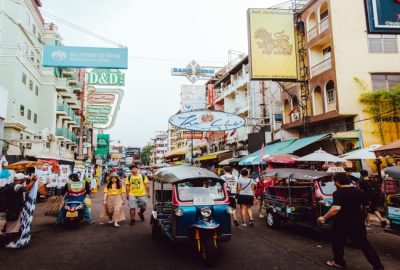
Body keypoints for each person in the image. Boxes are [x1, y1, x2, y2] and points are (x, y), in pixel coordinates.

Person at [317, 173, 384, 270]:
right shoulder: (360, 192)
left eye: (334, 182)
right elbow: (367, 206)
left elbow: (336, 208)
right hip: (358, 222)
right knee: (365, 244)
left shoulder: (339, 193)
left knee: (338, 242)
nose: (335, 184)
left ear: (337, 182)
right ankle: (378, 266)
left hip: (342, 222)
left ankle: (339, 262)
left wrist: (324, 217)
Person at [4, 173, 37, 248]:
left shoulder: (12, 185)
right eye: (23, 179)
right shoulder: (17, 186)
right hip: (13, 210)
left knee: (13, 226)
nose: (24, 180)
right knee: (11, 227)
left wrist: (29, 180)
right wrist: (34, 181)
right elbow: (26, 189)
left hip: (12, 209)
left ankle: (11, 240)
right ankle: (9, 243)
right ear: (21, 180)